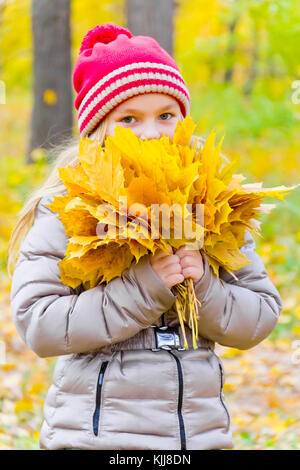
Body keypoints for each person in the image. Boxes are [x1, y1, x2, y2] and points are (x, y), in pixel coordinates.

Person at [8, 23, 282, 451]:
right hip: (97, 438)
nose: (152, 131)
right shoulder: (70, 205)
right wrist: (146, 286)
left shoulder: (210, 203)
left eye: (166, 116)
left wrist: (205, 284)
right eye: (129, 118)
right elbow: (40, 323)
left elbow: (259, 315)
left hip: (197, 437)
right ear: (98, 130)